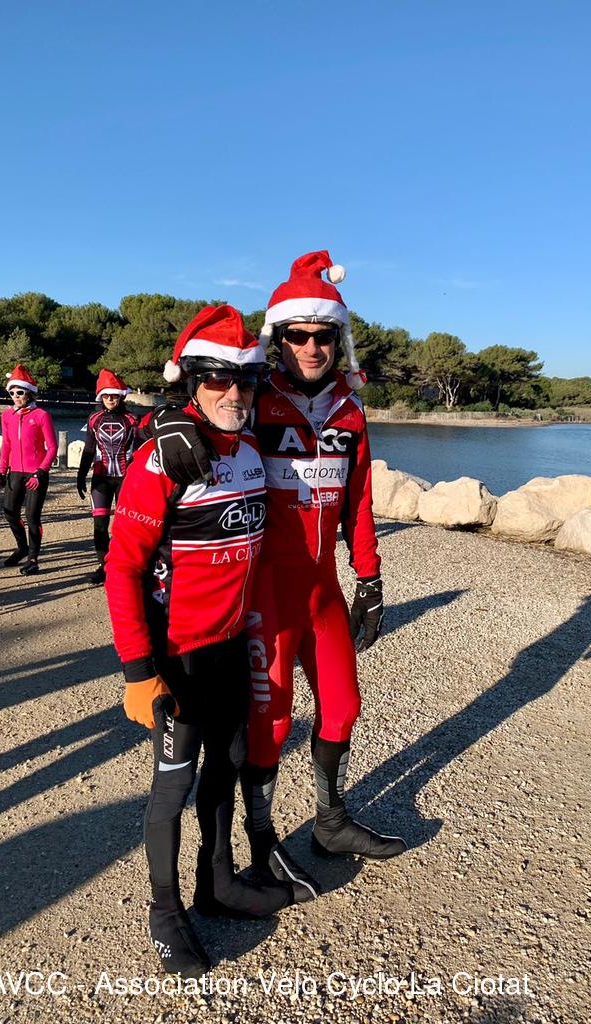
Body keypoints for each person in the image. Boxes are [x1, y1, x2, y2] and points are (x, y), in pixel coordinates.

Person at [151, 252, 406, 901]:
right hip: (265, 589)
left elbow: (359, 501)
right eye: (298, 335)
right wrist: (167, 418)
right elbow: (197, 406)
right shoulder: (255, 396)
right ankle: (262, 844)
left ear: (338, 339)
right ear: (278, 338)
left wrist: (370, 578)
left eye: (324, 336)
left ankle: (330, 823)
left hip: (323, 586)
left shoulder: (351, 411)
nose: (312, 347)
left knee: (344, 708)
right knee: (270, 724)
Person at [105, 305, 303, 980]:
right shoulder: (164, 458)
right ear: (190, 381)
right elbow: (122, 568)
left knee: (229, 763)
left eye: (244, 380)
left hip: (229, 646)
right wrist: (138, 670)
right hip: (178, 655)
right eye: (216, 378)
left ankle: (216, 884)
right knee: (174, 785)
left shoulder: (249, 452)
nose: (233, 392)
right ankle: (164, 913)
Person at [76, 369, 138, 586]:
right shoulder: (94, 419)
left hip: (125, 479)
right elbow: (89, 449)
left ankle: (123, 565)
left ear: (121, 396)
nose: (110, 399)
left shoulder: (132, 420)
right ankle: (103, 566)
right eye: (106, 395)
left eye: (114, 395)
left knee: (123, 526)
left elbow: (140, 452)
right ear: (100, 397)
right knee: (100, 525)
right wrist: (81, 476)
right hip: (100, 479)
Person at [0, 365, 57, 575]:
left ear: (29, 393)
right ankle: (22, 547)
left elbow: (52, 447)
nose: (16, 396)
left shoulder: (41, 415)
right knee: (10, 512)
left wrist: (41, 471)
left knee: (32, 517)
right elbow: (7, 445)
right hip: (14, 472)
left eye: (20, 392)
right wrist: (1, 471)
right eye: (12, 393)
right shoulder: (7, 415)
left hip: (36, 474)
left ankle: (33, 558)